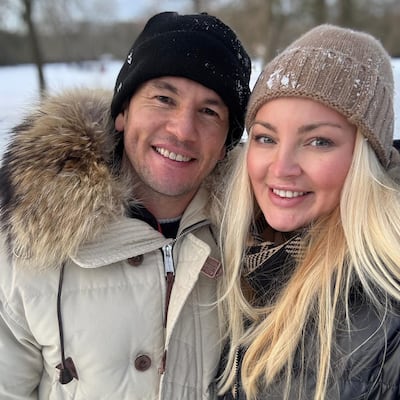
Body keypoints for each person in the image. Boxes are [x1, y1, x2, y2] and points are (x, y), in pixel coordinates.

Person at [0, 11, 251, 400]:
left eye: (209, 111)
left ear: (226, 144)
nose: (183, 130)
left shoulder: (254, 242)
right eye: (164, 99)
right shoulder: (28, 240)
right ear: (122, 112)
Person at [217, 24, 400, 400]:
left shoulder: (386, 308)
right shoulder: (230, 259)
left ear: (365, 158)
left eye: (319, 141)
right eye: (266, 138)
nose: (282, 167)